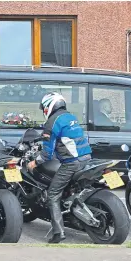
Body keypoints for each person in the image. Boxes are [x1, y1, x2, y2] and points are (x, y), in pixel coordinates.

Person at [27, 92, 92, 244]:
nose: (44, 111)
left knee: (53, 194)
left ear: (50, 105)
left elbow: (47, 154)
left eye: (44, 108)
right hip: (87, 159)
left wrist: (34, 163)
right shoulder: (71, 117)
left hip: (72, 163)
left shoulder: (52, 122)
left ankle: (58, 232)